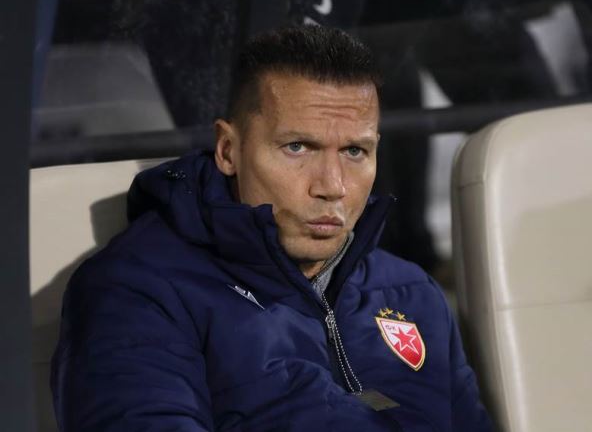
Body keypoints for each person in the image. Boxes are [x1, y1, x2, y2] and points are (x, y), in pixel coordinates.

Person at [51, 25, 493, 432]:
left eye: (355, 152)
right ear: (229, 150)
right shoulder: (139, 292)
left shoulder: (410, 291)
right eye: (297, 147)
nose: (332, 186)